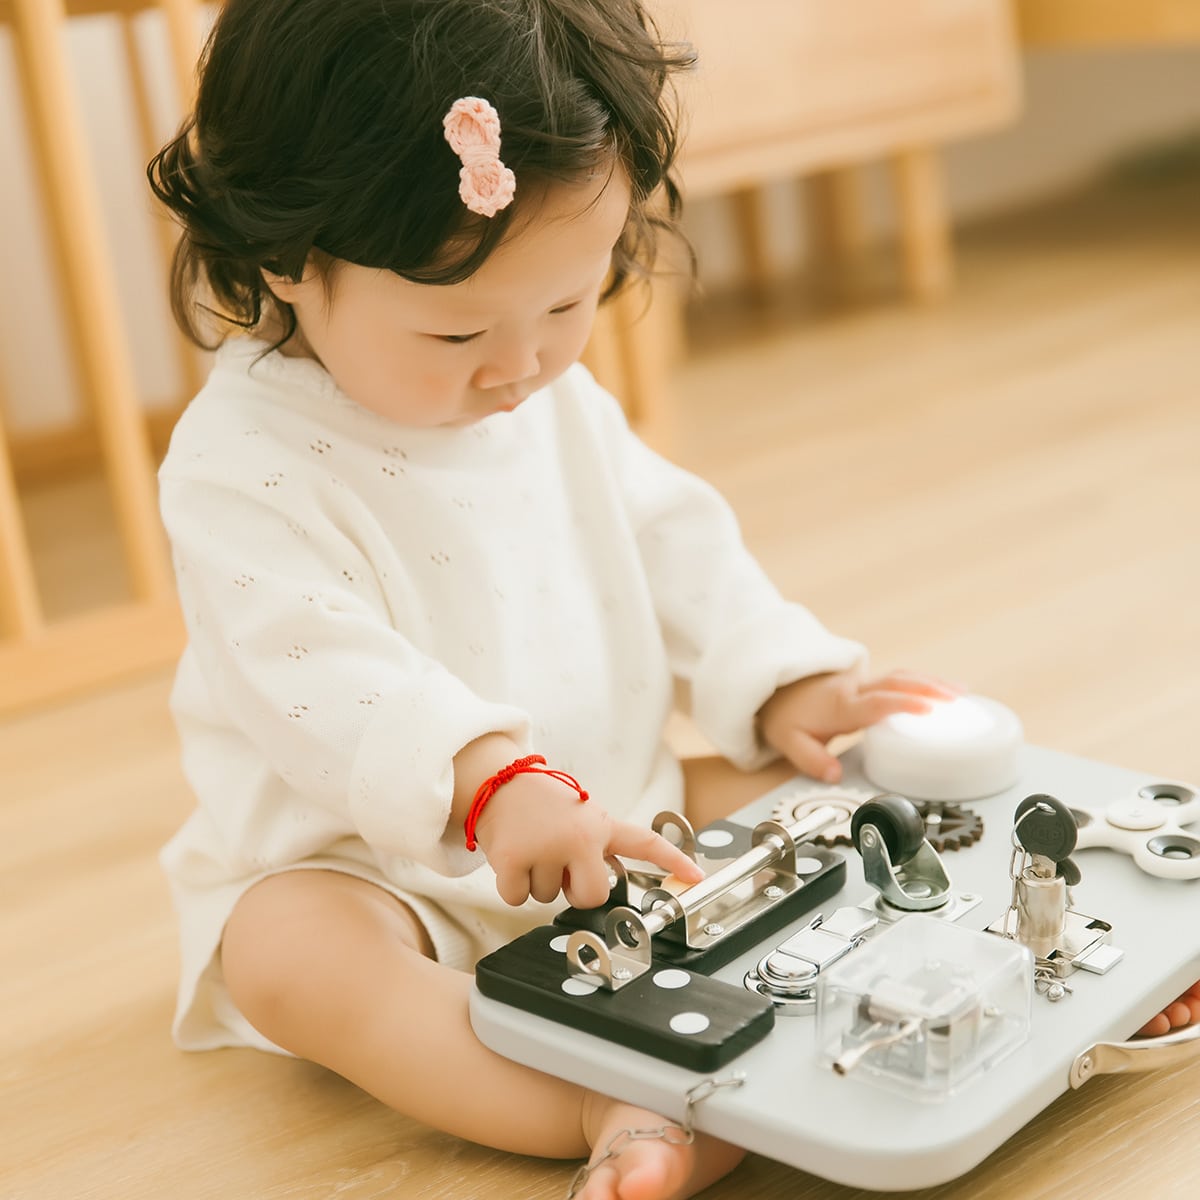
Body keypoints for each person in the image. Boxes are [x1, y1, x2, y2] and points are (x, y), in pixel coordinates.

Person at [147, 2, 1189, 1196]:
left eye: (565, 304)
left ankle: (1024, 966)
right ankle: (615, 1101)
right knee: (293, 958)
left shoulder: (548, 397)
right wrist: (491, 782)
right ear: (288, 257)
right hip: (381, 868)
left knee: (838, 800)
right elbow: (313, 669)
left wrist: (783, 672)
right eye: (455, 328)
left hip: (624, 808)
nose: (519, 365)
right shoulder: (242, 461)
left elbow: (669, 539)